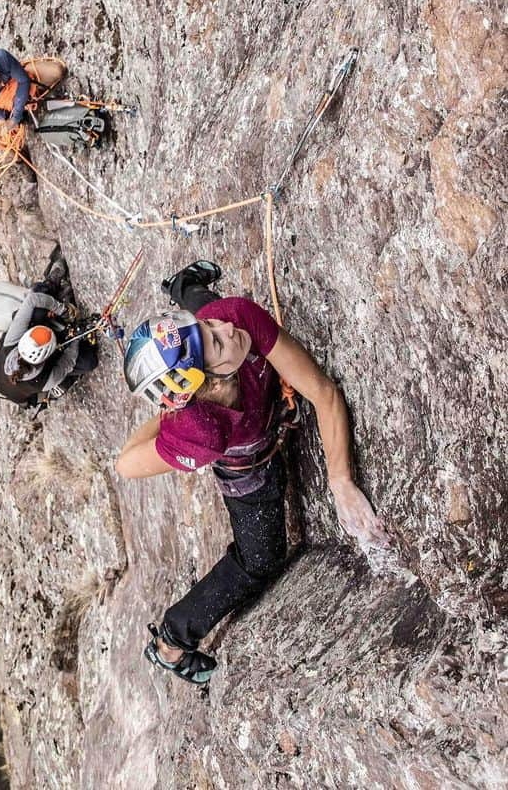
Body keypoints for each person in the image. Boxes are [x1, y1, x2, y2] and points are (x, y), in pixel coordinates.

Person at [114, 260, 390, 686]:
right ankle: (172, 640)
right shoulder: (198, 432)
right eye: (216, 344)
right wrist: (170, 411)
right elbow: (126, 463)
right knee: (260, 560)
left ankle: (185, 287)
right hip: (247, 465)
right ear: (192, 385)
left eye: (211, 331)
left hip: (246, 409)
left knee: (218, 312)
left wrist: (341, 480)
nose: (226, 330)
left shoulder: (235, 318)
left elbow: (324, 393)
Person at [0, 251, 99, 407]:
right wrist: (75, 337)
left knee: (35, 304)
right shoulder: (45, 381)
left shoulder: (11, 342)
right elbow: (68, 361)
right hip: (19, 388)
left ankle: (51, 283)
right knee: (89, 362)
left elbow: (32, 300)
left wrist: (62, 310)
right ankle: (63, 383)